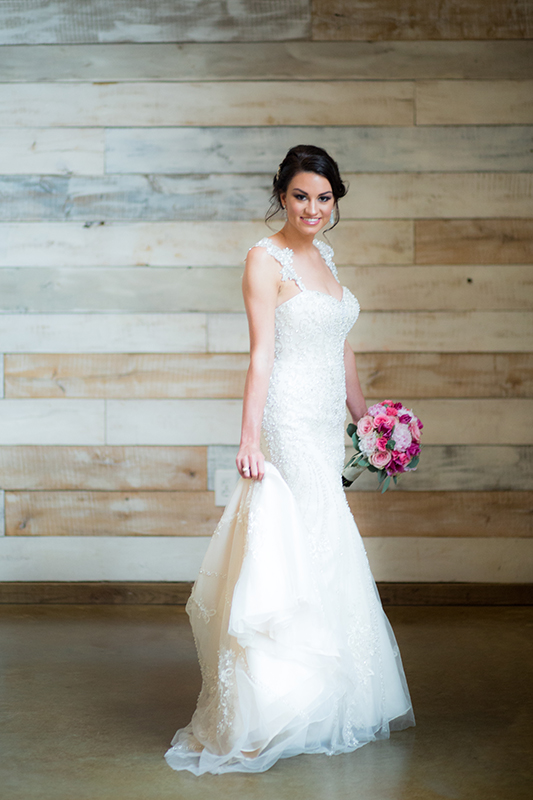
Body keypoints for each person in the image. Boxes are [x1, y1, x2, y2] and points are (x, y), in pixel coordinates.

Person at [164, 145, 415, 775]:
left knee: (325, 545)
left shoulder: (325, 256)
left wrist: (370, 422)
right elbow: (261, 355)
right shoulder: (264, 259)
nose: (313, 208)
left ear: (335, 203)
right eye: (301, 196)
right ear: (283, 196)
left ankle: (327, 696)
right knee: (292, 547)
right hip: (288, 419)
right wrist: (248, 438)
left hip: (328, 419)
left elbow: (342, 348)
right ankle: (264, 711)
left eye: (324, 198)